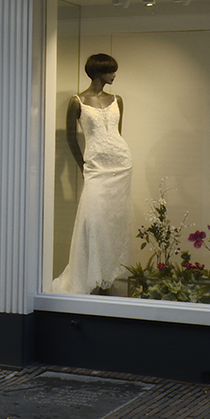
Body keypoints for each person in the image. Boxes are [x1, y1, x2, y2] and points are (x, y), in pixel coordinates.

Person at [51, 53, 134, 295]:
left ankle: (108, 277)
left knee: (115, 221)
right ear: (98, 72)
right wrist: (83, 166)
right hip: (95, 167)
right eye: (110, 71)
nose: (114, 75)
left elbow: (117, 134)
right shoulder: (77, 101)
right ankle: (91, 276)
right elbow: (70, 138)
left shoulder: (117, 100)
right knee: (93, 220)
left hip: (121, 165)